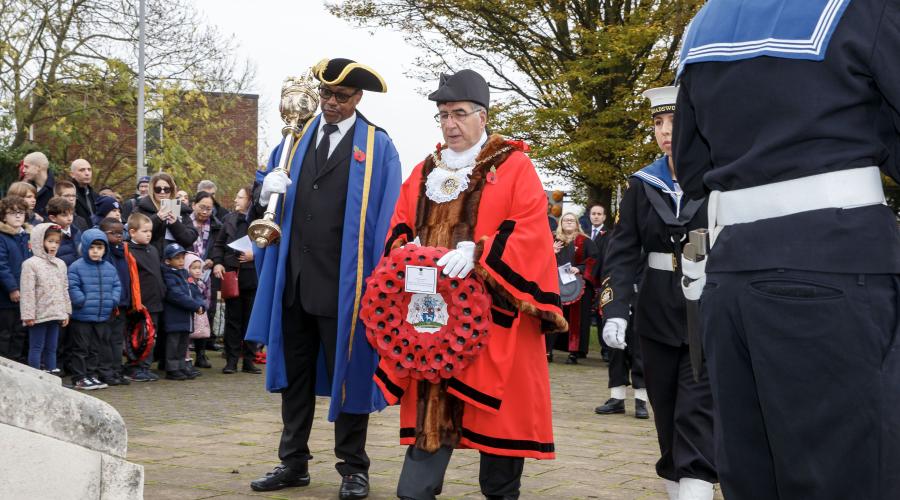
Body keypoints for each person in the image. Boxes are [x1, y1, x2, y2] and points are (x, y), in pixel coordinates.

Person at [674, 1, 900, 498]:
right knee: (851, 475)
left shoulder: (706, 21)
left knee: (754, 476)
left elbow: (691, 169)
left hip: (733, 272)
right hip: (833, 262)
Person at [373, 69, 564, 500]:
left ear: (482, 116)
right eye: (442, 115)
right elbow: (399, 224)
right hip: (428, 325)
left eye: (459, 114)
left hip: (491, 324)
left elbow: (531, 230)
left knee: (497, 449)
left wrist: (479, 253)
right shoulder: (426, 169)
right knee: (424, 445)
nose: (449, 124)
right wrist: (406, 250)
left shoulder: (513, 165)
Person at [246, 58, 402, 499]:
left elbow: (387, 220)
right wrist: (264, 190)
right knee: (293, 378)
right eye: (326, 95)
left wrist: (379, 284)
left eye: (342, 97)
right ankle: (292, 461)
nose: (331, 103)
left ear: (358, 98)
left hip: (345, 287)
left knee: (349, 376)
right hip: (294, 279)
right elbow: (267, 214)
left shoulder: (378, 146)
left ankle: (354, 467)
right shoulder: (292, 141)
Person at [599, 86, 715, 499]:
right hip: (657, 315)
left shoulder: (722, 178)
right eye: (658, 123)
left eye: (675, 121)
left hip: (710, 313)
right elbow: (623, 250)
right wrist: (615, 307)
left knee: (697, 417)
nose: (666, 131)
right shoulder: (643, 184)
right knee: (666, 419)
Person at [211, 186, 258, 374]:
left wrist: (255, 254)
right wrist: (218, 263)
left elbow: (269, 244)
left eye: (240, 197)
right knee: (232, 319)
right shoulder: (229, 219)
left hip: (252, 274)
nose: (236, 200)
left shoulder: (258, 220)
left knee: (250, 319)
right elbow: (219, 245)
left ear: (250, 199)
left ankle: (249, 359)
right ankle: (231, 360)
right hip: (232, 274)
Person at [67, 228, 122, 390]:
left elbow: (117, 285)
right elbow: (72, 285)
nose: (96, 251)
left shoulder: (109, 268)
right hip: (82, 316)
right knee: (81, 348)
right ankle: (80, 377)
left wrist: (113, 300)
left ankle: (91, 375)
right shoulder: (77, 267)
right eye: (92, 247)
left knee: (95, 348)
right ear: (85, 248)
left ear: (105, 249)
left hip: (102, 316)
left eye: (99, 248)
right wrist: (80, 300)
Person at [548, 212, 598, 364]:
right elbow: (538, 257)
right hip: (555, 285)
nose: (569, 223)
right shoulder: (552, 239)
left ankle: (574, 353)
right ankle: (548, 351)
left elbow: (594, 259)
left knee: (576, 320)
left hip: (578, 287)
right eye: (566, 220)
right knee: (554, 315)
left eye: (572, 220)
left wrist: (581, 268)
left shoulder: (585, 241)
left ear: (577, 223)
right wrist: (551, 251)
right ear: (561, 223)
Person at [19, 223, 70, 373]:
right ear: (39, 241)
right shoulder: (30, 264)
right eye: (50, 241)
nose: (54, 245)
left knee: (52, 346)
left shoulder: (61, 264)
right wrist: (28, 315)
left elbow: (64, 288)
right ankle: (35, 376)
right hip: (38, 315)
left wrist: (66, 311)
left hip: (55, 313)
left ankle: (51, 372)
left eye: (57, 242)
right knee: (36, 346)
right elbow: (27, 291)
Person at [123, 212, 164, 382]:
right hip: (140, 303)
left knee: (150, 337)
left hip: (156, 301)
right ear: (132, 232)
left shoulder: (152, 249)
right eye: (144, 231)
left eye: (150, 231)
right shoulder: (129, 251)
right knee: (138, 337)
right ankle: (135, 366)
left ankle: (145, 367)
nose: (148, 234)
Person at [160, 243, 204, 381]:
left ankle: (180, 366)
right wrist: (195, 305)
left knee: (183, 344)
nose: (181, 261)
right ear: (168, 261)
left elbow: (195, 291)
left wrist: (201, 304)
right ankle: (172, 369)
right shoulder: (168, 275)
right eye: (177, 258)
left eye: (182, 257)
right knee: (173, 344)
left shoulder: (184, 274)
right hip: (174, 317)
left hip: (186, 317)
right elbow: (176, 295)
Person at [189, 191, 222, 369]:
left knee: (206, 311)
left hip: (207, 275)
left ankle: (201, 354)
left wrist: (214, 260)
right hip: (187, 272)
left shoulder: (217, 226)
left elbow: (220, 247)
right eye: (202, 207)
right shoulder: (185, 223)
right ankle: (184, 353)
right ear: (194, 205)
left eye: (209, 209)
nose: (205, 211)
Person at [133, 172, 198, 254]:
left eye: (166, 189)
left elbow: (189, 239)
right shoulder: (141, 209)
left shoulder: (181, 210)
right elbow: (135, 234)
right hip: (149, 258)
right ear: (152, 190)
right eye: (158, 189)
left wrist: (175, 224)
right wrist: (157, 218)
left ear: (172, 190)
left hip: (175, 261)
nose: (162, 192)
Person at [0, 196, 32, 362]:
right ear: (4, 216)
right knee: (6, 332)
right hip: (6, 296)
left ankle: (18, 363)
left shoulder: (27, 236)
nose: (18, 216)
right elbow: (2, 265)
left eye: (20, 212)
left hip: (27, 293)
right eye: (12, 213)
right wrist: (12, 288)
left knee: (21, 331)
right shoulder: (2, 237)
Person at [100, 217, 131, 386]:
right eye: (114, 233)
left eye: (121, 232)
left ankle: (117, 369)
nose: (119, 236)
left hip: (123, 302)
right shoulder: (103, 253)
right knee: (105, 339)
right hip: (108, 303)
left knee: (118, 339)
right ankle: (106, 371)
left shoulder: (123, 251)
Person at [586, 202, 612, 362]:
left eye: (599, 214)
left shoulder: (609, 235)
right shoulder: (583, 234)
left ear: (604, 217)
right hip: (585, 280)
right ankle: (579, 349)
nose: (596, 216)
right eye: (593, 213)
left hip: (602, 280)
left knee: (602, 316)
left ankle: (605, 350)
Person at [182, 252, 210, 377]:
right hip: (189, 314)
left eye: (199, 268)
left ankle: (194, 358)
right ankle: (185, 360)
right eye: (194, 268)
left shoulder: (201, 283)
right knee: (185, 340)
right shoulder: (187, 284)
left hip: (200, 314)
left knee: (198, 335)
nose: (198, 271)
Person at [45, 197, 80, 267]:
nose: (70, 218)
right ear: (53, 218)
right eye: (64, 215)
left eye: (71, 214)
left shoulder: (77, 232)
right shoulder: (47, 236)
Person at [21, 152, 55, 217]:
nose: (23, 170)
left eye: (26, 167)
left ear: (38, 167)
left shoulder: (57, 189)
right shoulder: (23, 189)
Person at [69, 159, 96, 224]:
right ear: (72, 174)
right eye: (82, 170)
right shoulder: (68, 194)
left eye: (89, 170)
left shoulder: (94, 195)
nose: (87, 173)